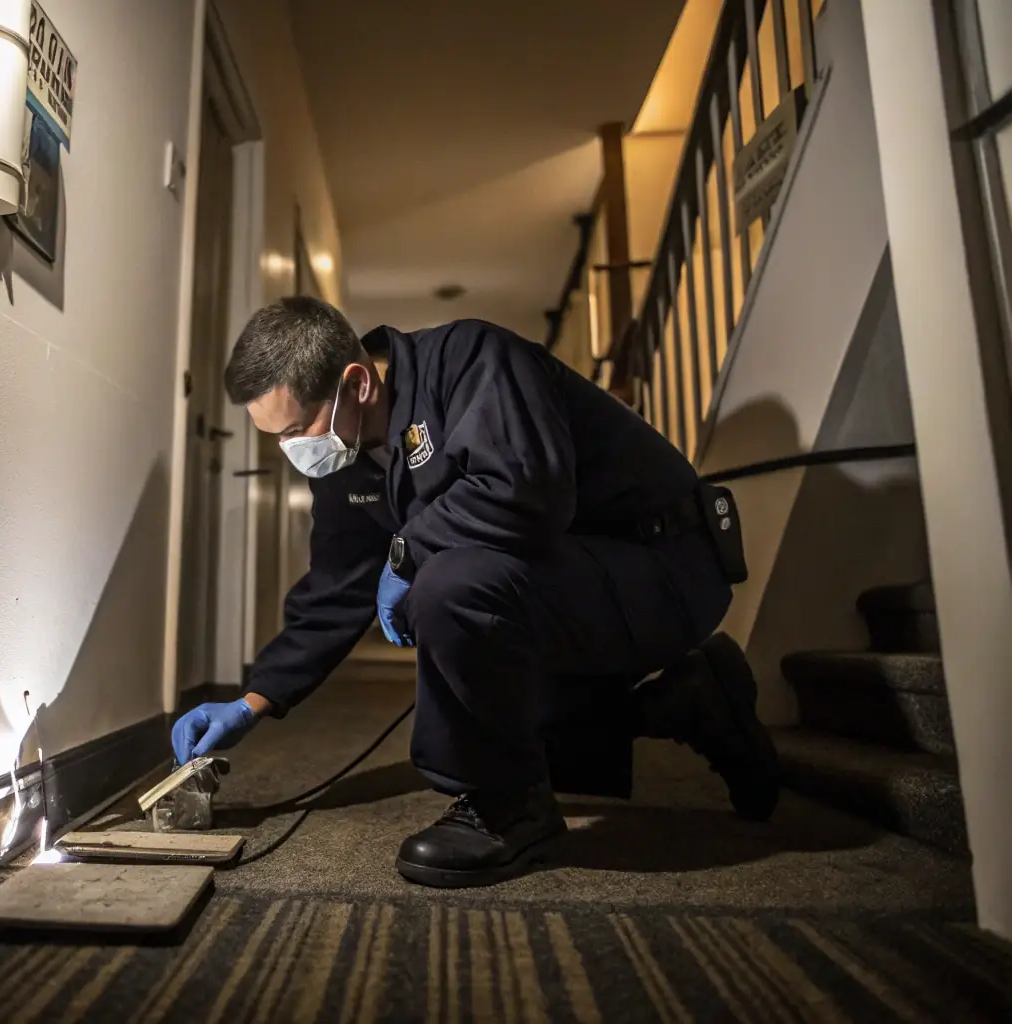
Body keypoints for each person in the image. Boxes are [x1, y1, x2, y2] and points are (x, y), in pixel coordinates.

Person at [171, 297, 780, 889]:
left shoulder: (473, 359)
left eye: (298, 429)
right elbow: (335, 592)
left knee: (452, 587)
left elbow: (525, 487)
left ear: (356, 383)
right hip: (568, 588)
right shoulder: (346, 459)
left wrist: (409, 552)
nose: (293, 451)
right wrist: (251, 701)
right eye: (276, 438)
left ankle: (506, 806)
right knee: (512, 722)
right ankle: (692, 699)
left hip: (665, 565)